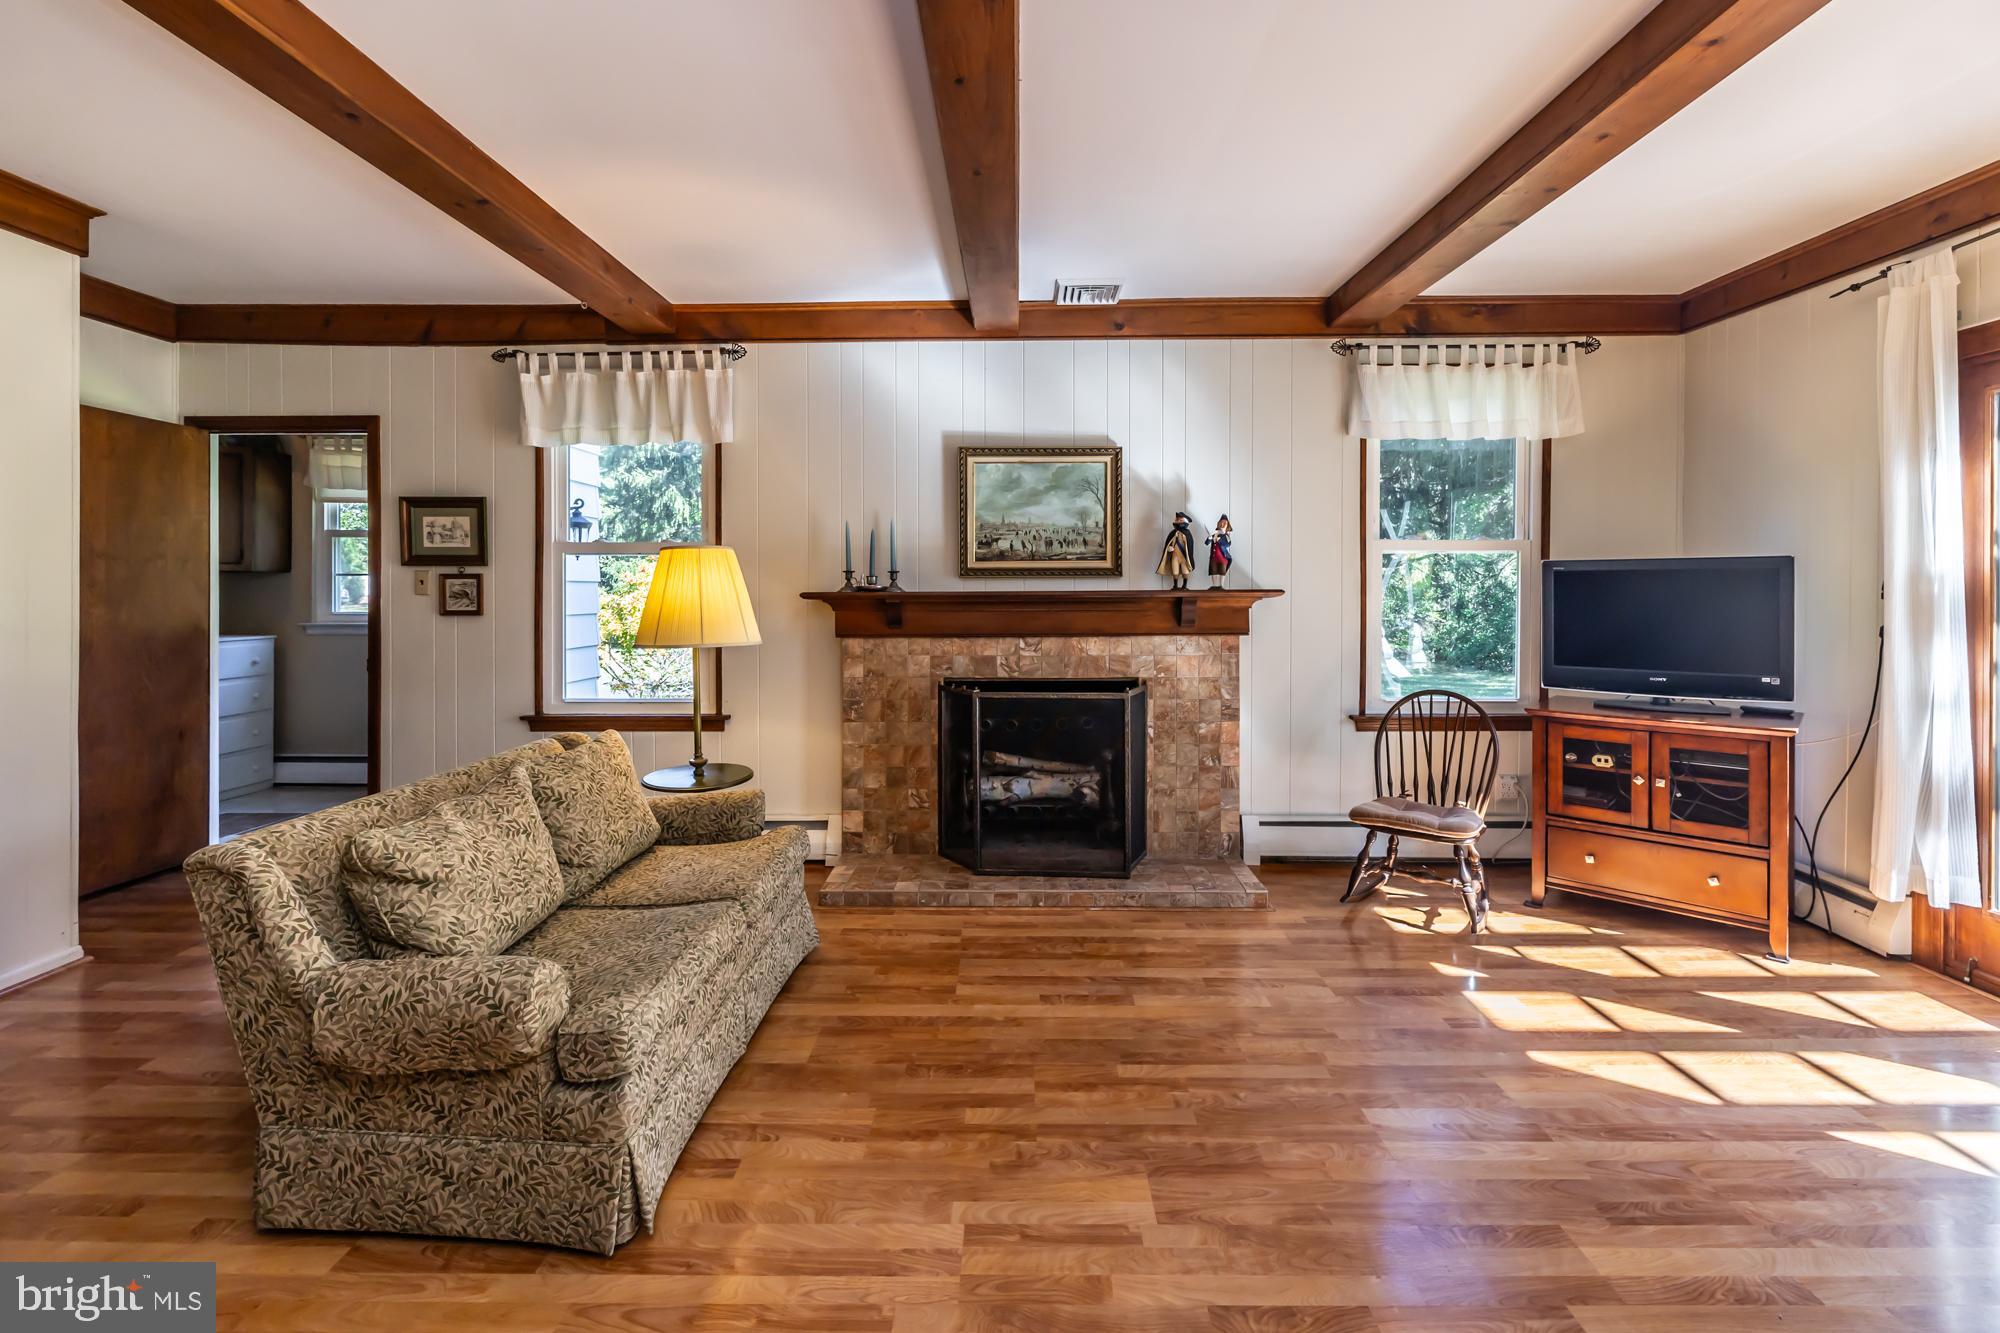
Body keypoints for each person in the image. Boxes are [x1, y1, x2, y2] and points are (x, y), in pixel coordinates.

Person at [1156, 511, 1196, 589]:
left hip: (1184, 557)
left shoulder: (1187, 533)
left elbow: (1190, 545)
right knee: (1175, 571)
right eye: (1178, 520)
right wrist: (1168, 548)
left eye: (1181, 520)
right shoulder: (1173, 533)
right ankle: (1175, 585)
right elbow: (1168, 543)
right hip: (1175, 556)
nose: (1179, 521)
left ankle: (1184, 585)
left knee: (1185, 571)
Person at [1206, 514, 1234, 588]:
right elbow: (1206, 543)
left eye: (1225, 523)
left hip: (1223, 558)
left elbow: (1228, 544)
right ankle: (1215, 585)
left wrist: (1220, 540)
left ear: (1227, 525)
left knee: (1222, 572)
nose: (1222, 524)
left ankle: (1221, 585)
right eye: (1221, 522)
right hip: (1213, 557)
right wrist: (1209, 537)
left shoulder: (1226, 535)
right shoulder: (1214, 534)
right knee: (1214, 572)